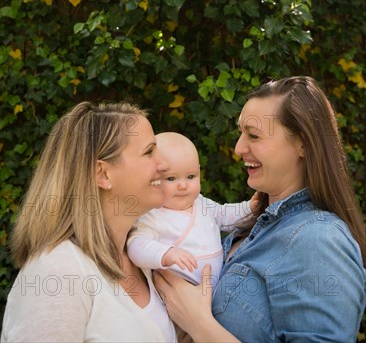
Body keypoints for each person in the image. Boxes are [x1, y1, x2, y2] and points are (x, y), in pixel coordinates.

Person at [154, 76, 366, 343]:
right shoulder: (256, 227)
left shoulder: (318, 240)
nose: (238, 148)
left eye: (253, 135)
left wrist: (199, 324)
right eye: (240, 133)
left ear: (302, 143)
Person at [1, 102, 177, 343]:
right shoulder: (58, 272)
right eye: (149, 152)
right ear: (102, 174)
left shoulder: (146, 253)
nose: (165, 164)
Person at [127, 132, 255, 288]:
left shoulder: (200, 203)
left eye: (191, 176)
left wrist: (250, 207)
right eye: (171, 178)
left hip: (216, 288)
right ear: (153, 179)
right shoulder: (153, 214)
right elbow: (136, 246)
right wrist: (165, 254)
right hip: (179, 295)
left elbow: (225, 215)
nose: (183, 185)